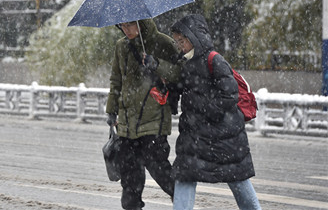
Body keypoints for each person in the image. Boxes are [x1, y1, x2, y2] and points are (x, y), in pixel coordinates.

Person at [170, 14, 261, 210]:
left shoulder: (215, 60)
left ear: (194, 37)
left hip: (223, 136)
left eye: (182, 40)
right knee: (184, 175)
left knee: (237, 179)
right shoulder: (184, 63)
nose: (180, 45)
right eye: (177, 41)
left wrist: (207, 112)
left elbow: (230, 95)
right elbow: (180, 88)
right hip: (194, 135)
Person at [105, 18, 181, 210]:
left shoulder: (163, 43)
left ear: (141, 23)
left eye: (130, 24)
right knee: (129, 176)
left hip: (154, 119)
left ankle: (182, 202)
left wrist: (157, 64)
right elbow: (116, 80)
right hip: (127, 124)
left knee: (160, 169)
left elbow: (180, 74)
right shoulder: (122, 46)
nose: (126, 29)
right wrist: (112, 110)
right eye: (122, 25)